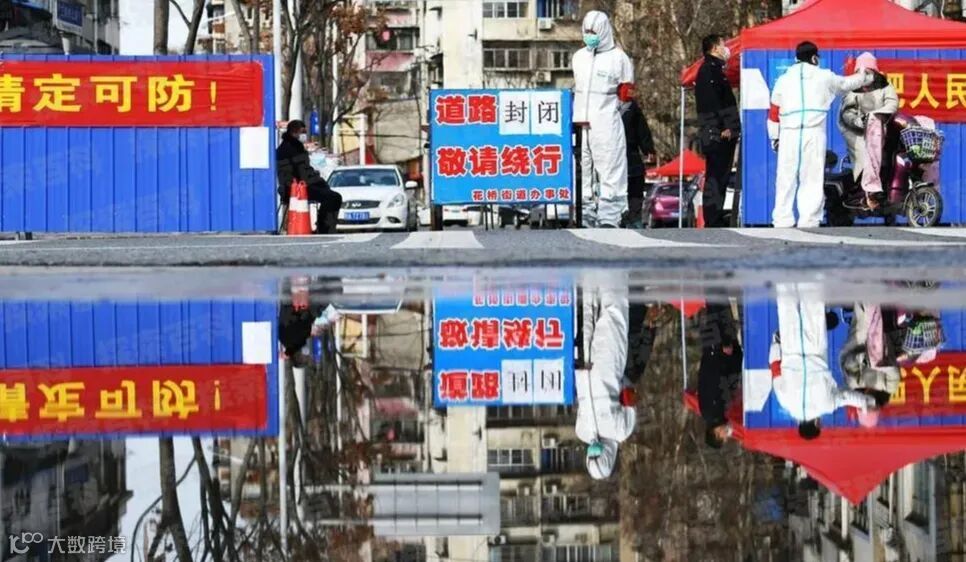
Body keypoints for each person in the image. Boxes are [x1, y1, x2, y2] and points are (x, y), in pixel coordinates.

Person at [768, 41, 873, 228]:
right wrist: (864, 75)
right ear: (814, 58)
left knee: (785, 178)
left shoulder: (783, 80)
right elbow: (847, 83)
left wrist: (774, 138)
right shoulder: (823, 76)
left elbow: (774, 112)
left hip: (788, 133)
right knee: (812, 178)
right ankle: (809, 221)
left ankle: (782, 220)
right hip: (813, 132)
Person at [770, 283, 876, 440]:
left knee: (812, 301)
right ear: (799, 424)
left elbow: (846, 397)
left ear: (816, 424)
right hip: (790, 348)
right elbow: (775, 371)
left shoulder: (826, 405)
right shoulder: (785, 402)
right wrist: (775, 344)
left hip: (815, 348)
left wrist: (866, 403)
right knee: (786, 306)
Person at [572, 10, 635, 228]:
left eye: (594, 31)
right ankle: (585, 212)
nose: (589, 35)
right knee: (584, 169)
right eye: (586, 31)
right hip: (581, 121)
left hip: (606, 120)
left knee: (610, 166)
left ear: (604, 31)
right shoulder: (579, 57)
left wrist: (612, 112)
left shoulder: (619, 58)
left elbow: (626, 93)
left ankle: (610, 215)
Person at [576, 276, 636, 479]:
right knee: (589, 310)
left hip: (607, 366)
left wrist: (622, 380)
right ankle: (589, 274)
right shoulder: (582, 432)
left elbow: (629, 396)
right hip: (582, 367)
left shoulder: (621, 431)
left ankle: (611, 269)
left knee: (614, 313)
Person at [837, 52, 899, 210]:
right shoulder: (852, 89)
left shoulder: (885, 86)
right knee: (864, 153)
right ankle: (862, 192)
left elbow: (892, 104)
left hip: (881, 127)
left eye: (868, 72)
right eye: (861, 72)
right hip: (857, 131)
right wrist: (858, 121)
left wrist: (876, 116)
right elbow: (847, 112)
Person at [695, 34, 741, 228]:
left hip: (719, 133)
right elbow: (712, 102)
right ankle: (712, 218)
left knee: (720, 176)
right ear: (714, 48)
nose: (726, 48)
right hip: (717, 135)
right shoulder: (709, 71)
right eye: (723, 44)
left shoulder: (715, 70)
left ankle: (715, 215)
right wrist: (724, 126)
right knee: (715, 177)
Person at [276, 120, 343, 234]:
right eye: (303, 132)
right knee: (334, 197)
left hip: (291, 187)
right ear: (295, 131)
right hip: (297, 188)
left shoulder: (287, 146)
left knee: (328, 194)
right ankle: (325, 228)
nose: (305, 134)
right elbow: (302, 172)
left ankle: (324, 226)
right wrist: (319, 181)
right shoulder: (293, 148)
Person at [698, 303, 743, 449]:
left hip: (719, 349)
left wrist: (723, 354)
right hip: (722, 350)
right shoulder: (716, 414)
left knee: (718, 310)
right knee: (721, 310)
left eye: (724, 437)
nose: (728, 434)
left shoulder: (712, 412)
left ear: (716, 434)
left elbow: (713, 378)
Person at [620, 99, 655, 228]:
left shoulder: (631, 106)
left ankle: (634, 217)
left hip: (629, 153)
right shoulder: (604, 103)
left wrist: (648, 149)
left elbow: (641, 128)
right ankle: (625, 217)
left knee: (634, 183)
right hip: (613, 153)